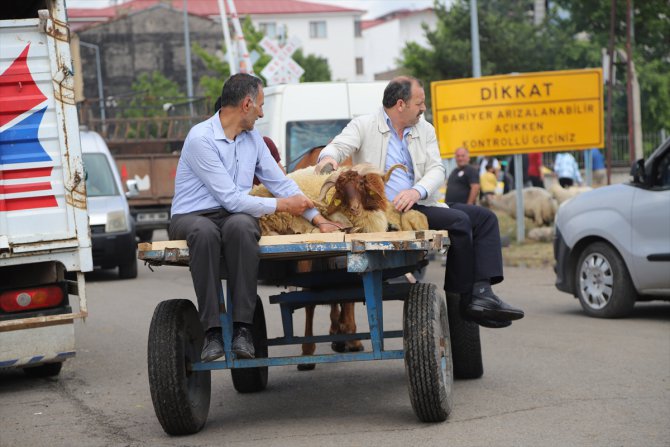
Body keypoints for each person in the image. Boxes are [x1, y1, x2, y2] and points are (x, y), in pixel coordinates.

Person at [315, 76, 524, 328]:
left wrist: (417, 191)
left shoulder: (425, 129)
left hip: (420, 203)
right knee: (460, 221)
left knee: (486, 218)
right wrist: (328, 159)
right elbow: (337, 147)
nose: (423, 108)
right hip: (385, 212)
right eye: (419, 103)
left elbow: (437, 169)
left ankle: (481, 292)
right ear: (400, 104)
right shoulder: (364, 125)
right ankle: (462, 303)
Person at [170, 74, 343, 362]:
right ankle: (212, 331)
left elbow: (281, 183)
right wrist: (283, 206)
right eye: (260, 106)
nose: (262, 113)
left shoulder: (253, 140)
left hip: (235, 214)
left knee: (242, 227)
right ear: (247, 104)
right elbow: (230, 198)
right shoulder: (201, 138)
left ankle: (243, 329)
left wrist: (317, 218)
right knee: (205, 233)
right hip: (192, 214)